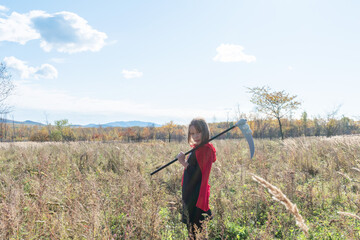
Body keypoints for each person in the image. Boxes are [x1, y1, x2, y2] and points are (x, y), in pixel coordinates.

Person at [177, 118, 216, 239]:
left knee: (196, 226)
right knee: (191, 227)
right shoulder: (197, 149)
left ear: (205, 132)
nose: (195, 136)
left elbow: (198, 175)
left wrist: (184, 162)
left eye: (198, 132)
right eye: (192, 133)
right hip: (190, 193)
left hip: (197, 195)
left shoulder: (205, 150)